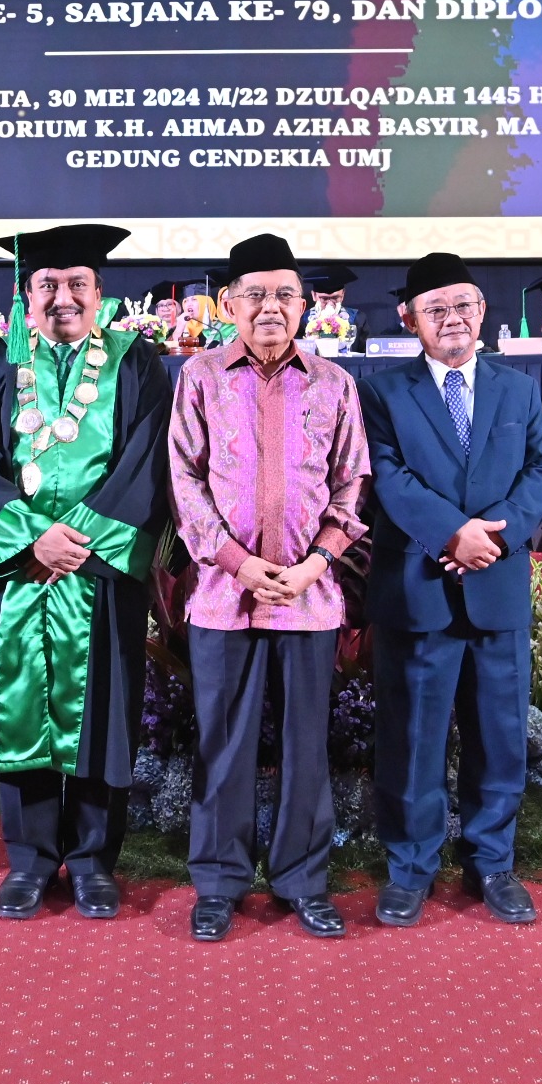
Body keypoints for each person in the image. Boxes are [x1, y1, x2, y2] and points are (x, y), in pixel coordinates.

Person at [0, 223, 171, 921]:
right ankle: (31, 857)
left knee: (101, 709)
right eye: (46, 285)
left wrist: (85, 541)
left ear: (100, 293)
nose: (62, 297)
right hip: (20, 569)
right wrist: (31, 538)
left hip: (98, 571)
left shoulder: (138, 364)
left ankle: (94, 859)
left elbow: (148, 460)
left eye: (77, 284)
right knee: (21, 706)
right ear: (25, 296)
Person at [168, 233, 370, 942]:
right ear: (228, 304)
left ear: (305, 305)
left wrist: (319, 560)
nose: (271, 307)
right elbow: (185, 481)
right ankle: (219, 881)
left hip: (310, 596)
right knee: (223, 745)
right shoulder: (199, 377)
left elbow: (351, 483)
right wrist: (236, 560)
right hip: (225, 595)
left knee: (306, 745)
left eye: (285, 294)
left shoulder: (334, 383)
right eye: (255, 294)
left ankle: (302, 880)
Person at [357, 252, 542, 928]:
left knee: (498, 735)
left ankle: (491, 864)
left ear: (482, 312)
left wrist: (493, 540)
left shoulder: (518, 387)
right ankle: (411, 867)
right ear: (409, 319)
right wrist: (452, 535)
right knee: (413, 737)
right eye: (436, 308)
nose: (452, 318)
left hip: (495, 585)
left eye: (464, 305)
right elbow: (385, 475)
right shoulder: (382, 391)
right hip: (418, 588)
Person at [302, 263, 366, 352]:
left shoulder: (358, 318)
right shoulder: (303, 319)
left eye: (335, 298)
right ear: (314, 295)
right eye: (324, 299)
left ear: (343, 294)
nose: (330, 304)